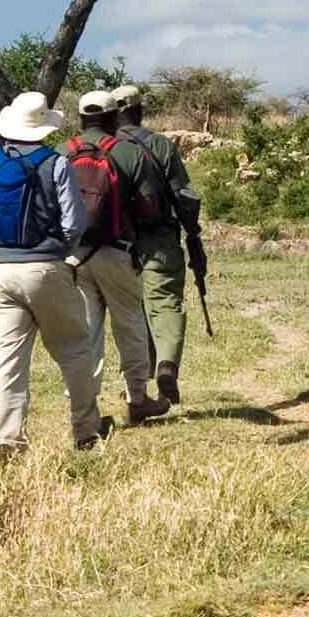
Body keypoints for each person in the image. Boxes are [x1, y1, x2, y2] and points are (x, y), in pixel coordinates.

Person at [0, 91, 108, 454]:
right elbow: (73, 222)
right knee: (74, 348)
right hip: (46, 266)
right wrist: (59, 250)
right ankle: (86, 429)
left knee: (7, 357)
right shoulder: (57, 163)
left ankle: (7, 438)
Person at [65, 90, 172, 424]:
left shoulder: (61, 153)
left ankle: (83, 406)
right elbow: (149, 208)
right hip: (117, 251)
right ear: (114, 118)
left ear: (81, 119)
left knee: (85, 330)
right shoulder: (128, 152)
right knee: (130, 323)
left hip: (74, 256)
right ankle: (137, 398)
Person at [113, 84, 204, 406]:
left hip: (115, 244)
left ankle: (135, 384)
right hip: (160, 238)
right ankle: (166, 365)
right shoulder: (160, 145)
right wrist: (192, 233)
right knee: (165, 303)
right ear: (139, 111)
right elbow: (184, 195)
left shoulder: (105, 147)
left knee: (129, 313)